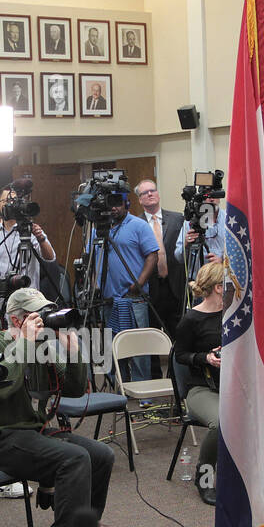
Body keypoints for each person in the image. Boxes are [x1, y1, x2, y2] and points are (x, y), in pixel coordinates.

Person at [0, 288, 114, 527]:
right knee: (75, 459)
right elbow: (3, 388)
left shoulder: (40, 345)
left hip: (31, 430)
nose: (44, 323)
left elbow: (74, 390)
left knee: (101, 455)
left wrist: (73, 351)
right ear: (15, 319)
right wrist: (23, 342)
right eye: (36, 316)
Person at [83, 191, 159, 380]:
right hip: (108, 299)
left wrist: (139, 283)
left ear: (128, 204)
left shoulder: (138, 225)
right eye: (110, 203)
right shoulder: (97, 229)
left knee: (138, 347)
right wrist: (94, 285)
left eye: (118, 203)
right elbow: (90, 260)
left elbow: (153, 255)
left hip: (134, 298)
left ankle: (142, 389)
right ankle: (120, 387)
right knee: (113, 346)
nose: (113, 208)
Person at [174, 262, 224, 505]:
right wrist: (205, 358)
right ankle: (204, 477)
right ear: (218, 287)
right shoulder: (192, 319)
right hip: (201, 389)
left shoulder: (234, 313)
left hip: (231, 387)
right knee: (220, 424)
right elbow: (179, 356)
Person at [0, 186, 56, 308]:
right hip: (3, 299)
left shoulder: (30, 229)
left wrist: (41, 239)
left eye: (14, 201)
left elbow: (50, 258)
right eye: (7, 201)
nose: (12, 205)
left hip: (30, 298)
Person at [134, 180, 184, 361]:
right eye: (144, 193)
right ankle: (153, 376)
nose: (149, 194)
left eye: (152, 190)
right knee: (152, 338)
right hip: (150, 288)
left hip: (175, 287)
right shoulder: (135, 224)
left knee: (178, 335)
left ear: (158, 194)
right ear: (139, 200)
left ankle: (178, 376)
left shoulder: (178, 219)